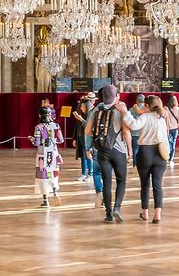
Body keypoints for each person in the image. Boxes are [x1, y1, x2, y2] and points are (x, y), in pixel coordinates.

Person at [84, 84, 130, 223]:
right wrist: (130, 150)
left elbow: (87, 131)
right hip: (119, 151)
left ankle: (108, 214)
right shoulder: (120, 109)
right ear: (116, 96)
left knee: (107, 183)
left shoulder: (96, 109)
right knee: (121, 180)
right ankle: (117, 208)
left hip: (102, 151)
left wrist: (96, 138)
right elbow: (126, 132)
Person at [123, 95, 169, 223]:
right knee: (158, 185)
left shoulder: (145, 117)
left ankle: (145, 213)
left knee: (145, 184)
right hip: (160, 153)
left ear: (147, 106)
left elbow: (133, 125)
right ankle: (158, 215)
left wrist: (125, 112)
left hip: (145, 152)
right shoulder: (161, 118)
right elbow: (165, 137)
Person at [31, 106, 63, 202]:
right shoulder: (56, 126)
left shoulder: (38, 127)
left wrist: (31, 139)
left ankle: (45, 201)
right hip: (54, 154)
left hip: (42, 155)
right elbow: (61, 140)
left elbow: (36, 143)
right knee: (54, 173)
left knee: (43, 176)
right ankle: (55, 192)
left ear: (40, 115)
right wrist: (52, 141)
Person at [72, 95, 93, 180]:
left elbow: (89, 127)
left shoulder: (91, 114)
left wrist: (81, 119)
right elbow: (77, 127)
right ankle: (83, 173)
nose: (81, 108)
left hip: (87, 139)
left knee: (88, 156)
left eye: (83, 107)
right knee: (82, 157)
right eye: (81, 106)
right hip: (80, 137)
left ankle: (90, 174)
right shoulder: (82, 114)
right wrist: (75, 139)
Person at [163, 95, 179, 164]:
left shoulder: (165, 108)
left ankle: (166, 157)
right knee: (173, 143)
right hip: (175, 129)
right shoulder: (178, 109)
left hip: (167, 128)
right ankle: (171, 159)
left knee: (167, 143)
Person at [129, 93, 147, 162]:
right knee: (143, 149)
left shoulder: (131, 109)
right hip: (144, 132)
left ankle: (135, 163)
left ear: (136, 101)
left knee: (135, 149)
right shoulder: (147, 109)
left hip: (134, 132)